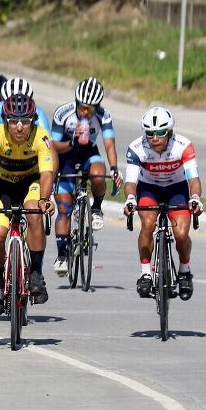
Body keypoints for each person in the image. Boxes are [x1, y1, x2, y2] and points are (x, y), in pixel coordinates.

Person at [0, 94, 56, 313]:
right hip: (2, 186)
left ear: (32, 120)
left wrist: (45, 199)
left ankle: (36, 273)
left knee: (34, 214)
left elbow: (47, 174)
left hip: (31, 183)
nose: (19, 127)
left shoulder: (41, 137)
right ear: (5, 120)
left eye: (25, 121)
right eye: (13, 121)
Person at [122, 107, 203, 300]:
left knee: (182, 234)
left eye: (160, 133)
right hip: (149, 189)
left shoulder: (183, 146)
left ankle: (184, 270)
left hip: (177, 189)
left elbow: (193, 179)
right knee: (148, 224)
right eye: (150, 133)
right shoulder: (136, 148)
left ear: (169, 132)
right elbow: (131, 182)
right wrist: (131, 199)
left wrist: (195, 198)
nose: (154, 138)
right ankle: (145, 273)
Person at [49, 77, 120, 277]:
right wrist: (72, 141)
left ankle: (96, 208)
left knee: (99, 174)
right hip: (65, 154)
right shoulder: (63, 114)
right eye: (83, 107)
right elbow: (53, 146)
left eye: (91, 108)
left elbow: (109, 144)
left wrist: (114, 168)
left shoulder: (104, 116)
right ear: (77, 102)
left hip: (89, 152)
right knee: (64, 207)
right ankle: (62, 255)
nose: (86, 112)